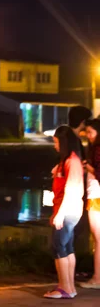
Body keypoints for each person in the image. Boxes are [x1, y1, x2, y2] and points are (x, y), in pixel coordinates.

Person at [43, 125, 85, 299]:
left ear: (64, 142)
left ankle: (65, 288)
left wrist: (60, 213)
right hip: (66, 210)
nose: (55, 145)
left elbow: (71, 189)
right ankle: (68, 287)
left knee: (58, 247)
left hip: (68, 211)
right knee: (66, 247)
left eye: (57, 142)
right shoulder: (67, 161)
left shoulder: (72, 161)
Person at [81, 119, 100, 289]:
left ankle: (97, 278)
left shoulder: (98, 149)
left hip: (97, 197)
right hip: (95, 196)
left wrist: (88, 168)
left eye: (90, 132)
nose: (87, 136)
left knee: (98, 239)